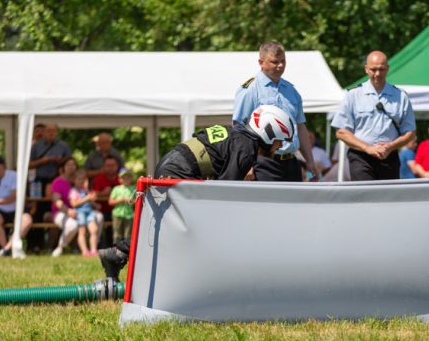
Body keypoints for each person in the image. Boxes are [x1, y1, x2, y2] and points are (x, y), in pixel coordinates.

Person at [99, 105, 294, 280]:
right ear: (268, 132)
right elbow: (225, 192)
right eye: (279, 141)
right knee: (191, 229)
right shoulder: (246, 148)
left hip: (172, 165)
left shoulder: (236, 134)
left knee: (172, 227)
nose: (278, 147)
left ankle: (117, 254)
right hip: (179, 171)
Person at [232, 41, 319, 182]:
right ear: (261, 62)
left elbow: (300, 127)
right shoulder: (250, 89)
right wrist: (246, 165)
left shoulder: (291, 90)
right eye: (275, 62)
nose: (281, 65)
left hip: (292, 163)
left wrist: (310, 161)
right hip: (263, 163)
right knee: (267, 205)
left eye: (283, 61)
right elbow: (238, 129)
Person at [332, 51, 416, 181]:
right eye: (373, 69)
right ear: (366, 69)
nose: (377, 74)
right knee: (364, 197)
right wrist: (367, 148)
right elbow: (341, 132)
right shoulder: (353, 95)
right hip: (361, 158)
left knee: (388, 199)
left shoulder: (401, 96)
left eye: (381, 69)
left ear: (387, 68)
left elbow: (410, 133)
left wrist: (391, 146)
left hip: (389, 157)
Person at [50, 158, 102, 257]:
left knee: (99, 217)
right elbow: (57, 201)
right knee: (73, 225)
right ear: (63, 168)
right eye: (68, 164)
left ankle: (94, 247)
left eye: (73, 164)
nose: (71, 167)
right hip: (62, 212)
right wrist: (68, 210)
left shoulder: (80, 182)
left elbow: (86, 198)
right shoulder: (57, 182)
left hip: (80, 211)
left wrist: (94, 204)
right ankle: (61, 247)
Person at [0, 157, 33, 258]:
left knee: (27, 220)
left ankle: (7, 249)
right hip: (0, 211)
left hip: (17, 209)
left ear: (2, 167)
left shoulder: (14, 176)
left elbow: (15, 195)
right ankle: (6, 249)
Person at [68, 169, 102, 256]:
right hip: (80, 213)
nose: (81, 181)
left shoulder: (85, 190)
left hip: (90, 212)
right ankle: (85, 251)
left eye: (83, 179)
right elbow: (74, 204)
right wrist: (87, 198)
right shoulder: (73, 191)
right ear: (74, 180)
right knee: (82, 231)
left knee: (94, 229)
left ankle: (94, 250)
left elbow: (90, 201)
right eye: (79, 178)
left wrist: (95, 204)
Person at [92, 156, 121, 246]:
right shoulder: (98, 179)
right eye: (108, 165)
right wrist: (103, 193)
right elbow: (93, 195)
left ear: (117, 166)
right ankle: (100, 245)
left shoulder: (122, 179)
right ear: (104, 167)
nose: (110, 168)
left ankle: (120, 245)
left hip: (118, 211)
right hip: (102, 211)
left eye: (113, 165)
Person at [109, 168, 136, 242]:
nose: (126, 179)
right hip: (117, 214)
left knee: (128, 234)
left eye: (128, 177)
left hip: (129, 214)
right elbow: (110, 202)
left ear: (131, 178)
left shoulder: (134, 189)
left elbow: (138, 202)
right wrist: (121, 200)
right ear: (119, 179)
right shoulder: (116, 189)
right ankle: (116, 250)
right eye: (123, 177)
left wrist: (131, 201)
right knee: (117, 234)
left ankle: (127, 251)